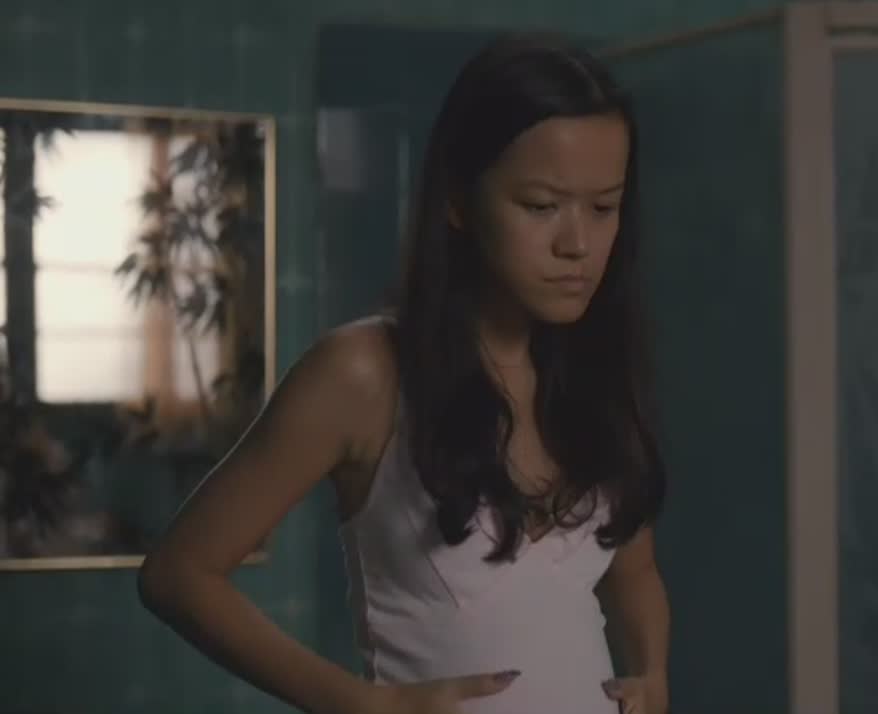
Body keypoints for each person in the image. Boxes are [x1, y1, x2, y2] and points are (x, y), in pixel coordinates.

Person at [138, 35, 670, 714]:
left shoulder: (595, 378)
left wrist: (653, 673)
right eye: (541, 206)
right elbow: (179, 574)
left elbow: (635, 570)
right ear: (458, 199)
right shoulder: (364, 373)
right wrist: (361, 702)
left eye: (604, 207)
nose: (579, 244)